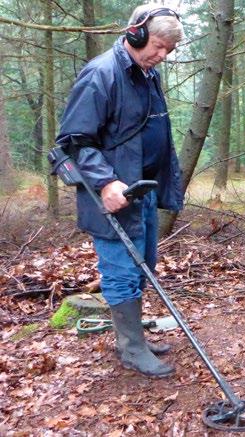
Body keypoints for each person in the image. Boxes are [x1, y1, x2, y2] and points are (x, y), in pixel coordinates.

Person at [56, 4, 185, 377]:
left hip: (140, 191)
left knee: (143, 265)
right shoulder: (101, 74)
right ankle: (131, 349)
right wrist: (106, 181)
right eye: (158, 47)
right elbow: (74, 142)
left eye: (168, 52)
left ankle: (135, 339)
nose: (161, 56)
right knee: (121, 271)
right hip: (111, 196)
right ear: (136, 33)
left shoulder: (147, 74)